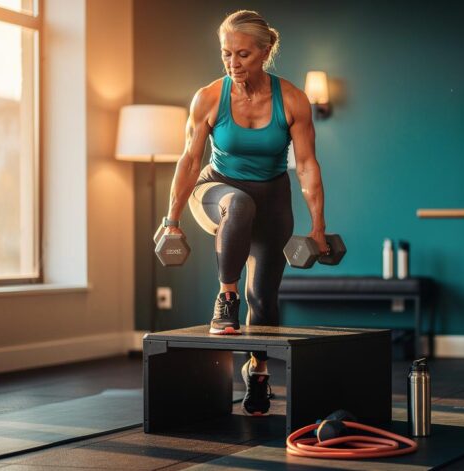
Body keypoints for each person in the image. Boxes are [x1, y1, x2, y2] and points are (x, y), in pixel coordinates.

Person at [163, 10, 328, 415]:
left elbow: (306, 165)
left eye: (243, 55)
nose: (233, 64)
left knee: (265, 300)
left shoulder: (291, 99)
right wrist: (172, 219)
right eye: (226, 55)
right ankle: (226, 299)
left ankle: (257, 374)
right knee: (238, 204)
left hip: (273, 198)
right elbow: (188, 161)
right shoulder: (208, 97)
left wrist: (318, 227)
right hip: (216, 189)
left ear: (265, 52)